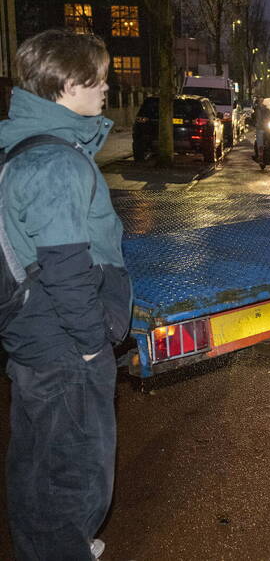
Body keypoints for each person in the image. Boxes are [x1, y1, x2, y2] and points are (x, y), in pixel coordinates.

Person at [0, 29, 132, 559]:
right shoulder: (57, 163)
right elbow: (66, 268)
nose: (105, 89)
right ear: (67, 86)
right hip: (62, 343)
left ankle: (50, 545)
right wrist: (92, 344)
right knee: (75, 469)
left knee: (38, 458)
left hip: (34, 337)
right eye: (97, 80)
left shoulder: (27, 146)